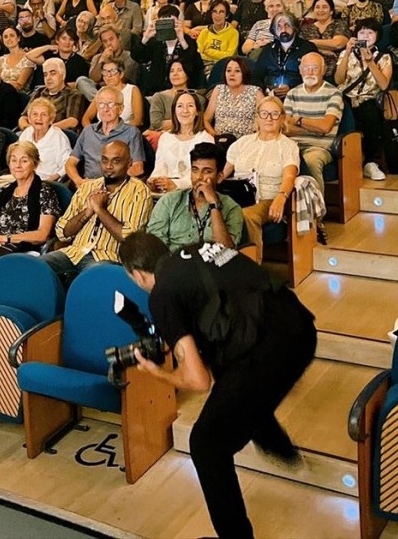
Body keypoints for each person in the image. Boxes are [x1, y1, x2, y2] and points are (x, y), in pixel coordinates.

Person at [119, 231, 316, 539]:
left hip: (269, 351)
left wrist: (160, 374)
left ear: (138, 274)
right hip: (301, 327)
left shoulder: (162, 293)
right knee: (233, 390)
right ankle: (276, 444)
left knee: (206, 444)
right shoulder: (197, 249)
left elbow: (198, 381)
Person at [46, 139, 153, 283]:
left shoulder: (139, 191)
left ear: (129, 164)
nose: (108, 166)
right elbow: (62, 231)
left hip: (107, 258)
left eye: (116, 161)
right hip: (73, 253)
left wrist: (100, 209)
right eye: (104, 160)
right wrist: (87, 212)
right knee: (35, 268)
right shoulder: (87, 187)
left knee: (90, 280)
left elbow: (129, 238)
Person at [221, 96, 299, 262]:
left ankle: (253, 267)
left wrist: (281, 196)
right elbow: (223, 174)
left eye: (274, 114)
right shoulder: (243, 142)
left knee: (247, 215)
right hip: (239, 196)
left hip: (267, 198)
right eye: (264, 114)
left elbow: (290, 175)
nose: (269, 118)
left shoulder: (288, 146)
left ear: (282, 118)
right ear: (257, 117)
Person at [0, 141, 60, 265]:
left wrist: (6, 238)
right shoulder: (4, 191)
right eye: (13, 160)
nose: (18, 165)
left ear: (34, 164)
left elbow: (42, 234)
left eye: (24, 160)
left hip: (25, 252)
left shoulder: (45, 192)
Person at [148, 143, 244, 252]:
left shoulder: (232, 208)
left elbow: (226, 253)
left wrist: (214, 205)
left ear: (219, 177)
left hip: (211, 267)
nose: (199, 177)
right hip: (173, 264)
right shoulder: (169, 201)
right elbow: (154, 246)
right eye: (195, 170)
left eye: (207, 171)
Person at [335, 22, 393, 181]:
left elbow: (383, 85)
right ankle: (343, 159)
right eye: (362, 33)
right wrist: (346, 53)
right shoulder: (345, 54)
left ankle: (370, 163)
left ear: (377, 37)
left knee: (371, 116)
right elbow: (338, 80)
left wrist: (370, 62)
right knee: (339, 114)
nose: (365, 36)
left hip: (368, 99)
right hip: (346, 98)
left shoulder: (384, 57)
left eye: (370, 33)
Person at [284, 52, 342, 194]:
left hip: (320, 148)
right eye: (306, 68)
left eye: (315, 68)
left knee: (310, 161)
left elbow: (325, 127)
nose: (310, 72)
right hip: (292, 145)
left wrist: (298, 120)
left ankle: (316, 210)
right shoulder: (292, 93)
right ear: (300, 70)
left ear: (323, 70)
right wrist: (314, 129)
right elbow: (285, 128)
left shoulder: (334, 94)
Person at [65, 87, 145, 185]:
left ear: (121, 109)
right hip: (87, 186)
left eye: (111, 104)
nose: (106, 109)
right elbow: (70, 163)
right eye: (101, 105)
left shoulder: (131, 132)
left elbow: (138, 168)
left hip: (117, 187)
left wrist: (109, 183)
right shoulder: (88, 131)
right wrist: (78, 181)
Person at [148, 91, 213, 193]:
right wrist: (154, 180)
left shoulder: (205, 139)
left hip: (193, 192)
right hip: (165, 193)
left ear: (197, 112)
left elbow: (202, 176)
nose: (185, 110)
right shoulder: (165, 137)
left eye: (190, 106)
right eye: (180, 106)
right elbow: (159, 168)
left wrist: (176, 184)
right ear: (174, 111)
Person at [17, 97, 73, 181]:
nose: (39, 118)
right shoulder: (27, 133)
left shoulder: (58, 137)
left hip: (45, 181)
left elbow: (67, 164)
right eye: (35, 114)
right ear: (29, 119)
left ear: (51, 120)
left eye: (44, 115)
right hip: (22, 178)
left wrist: (52, 179)